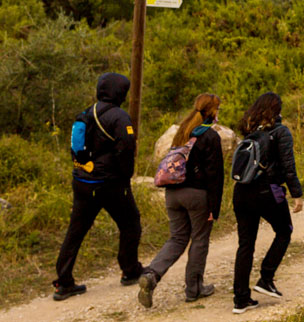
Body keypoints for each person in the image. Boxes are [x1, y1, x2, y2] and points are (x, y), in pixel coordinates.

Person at [54, 72, 143, 301]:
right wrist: (126, 175)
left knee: (75, 231)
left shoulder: (85, 113)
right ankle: (129, 270)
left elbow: (77, 148)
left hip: (83, 181)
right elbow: (126, 148)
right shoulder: (120, 117)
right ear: (120, 92)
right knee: (130, 223)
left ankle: (64, 283)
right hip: (111, 184)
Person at [138, 94, 224, 308]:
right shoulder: (210, 136)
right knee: (200, 239)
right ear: (212, 112)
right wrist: (215, 207)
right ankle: (194, 289)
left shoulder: (182, 132)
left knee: (177, 238)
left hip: (172, 193)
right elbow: (215, 176)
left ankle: (151, 275)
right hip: (197, 195)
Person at [231, 92, 303, 315]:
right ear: (277, 110)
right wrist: (296, 194)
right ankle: (266, 277)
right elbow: (288, 166)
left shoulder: (249, 132)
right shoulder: (281, 132)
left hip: (241, 191)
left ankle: (241, 299)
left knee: (246, 244)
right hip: (266, 191)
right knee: (284, 230)